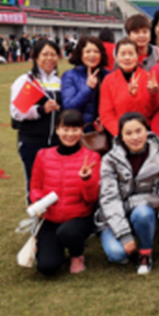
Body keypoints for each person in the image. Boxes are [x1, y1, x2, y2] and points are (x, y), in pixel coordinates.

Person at [29, 110, 101, 276]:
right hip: (51, 218)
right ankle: (52, 245)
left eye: (75, 129)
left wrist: (86, 180)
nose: (70, 134)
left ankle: (77, 254)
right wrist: (39, 202)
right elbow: (35, 186)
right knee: (47, 267)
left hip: (79, 217)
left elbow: (92, 198)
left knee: (68, 232)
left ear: (82, 130)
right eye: (65, 129)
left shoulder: (92, 157)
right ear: (57, 130)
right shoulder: (43, 155)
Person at [97, 112, 159, 275]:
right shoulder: (109, 160)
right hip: (113, 215)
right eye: (128, 133)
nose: (135, 137)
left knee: (143, 213)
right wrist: (124, 235)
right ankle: (125, 235)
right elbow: (109, 199)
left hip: (142, 211)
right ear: (121, 136)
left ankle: (145, 253)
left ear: (147, 131)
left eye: (138, 131)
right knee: (117, 254)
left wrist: (129, 205)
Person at [11, 39, 62, 203]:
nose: (49, 58)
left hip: (56, 143)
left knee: (55, 185)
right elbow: (17, 113)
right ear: (36, 57)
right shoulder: (26, 80)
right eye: (45, 54)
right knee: (35, 185)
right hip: (32, 142)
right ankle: (36, 217)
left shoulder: (60, 81)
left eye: (53, 54)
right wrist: (42, 110)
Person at [99, 38, 158, 138]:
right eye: (123, 54)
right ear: (116, 57)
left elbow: (150, 111)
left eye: (131, 54)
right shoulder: (108, 80)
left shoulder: (147, 78)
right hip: (118, 133)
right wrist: (121, 133)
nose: (127, 58)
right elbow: (106, 114)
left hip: (142, 133)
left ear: (137, 56)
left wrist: (153, 95)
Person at [61, 36, 109, 133]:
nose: (92, 55)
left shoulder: (108, 75)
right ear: (80, 54)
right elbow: (69, 107)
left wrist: (105, 119)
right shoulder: (70, 75)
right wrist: (87, 88)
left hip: (105, 130)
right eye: (88, 51)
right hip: (79, 132)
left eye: (96, 51)